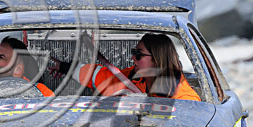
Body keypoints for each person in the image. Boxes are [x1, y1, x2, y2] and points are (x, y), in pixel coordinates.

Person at [49, 33, 200, 101]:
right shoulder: (129, 78)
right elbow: (97, 75)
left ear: (157, 60)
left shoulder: (185, 99)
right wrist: (63, 67)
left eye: (138, 54)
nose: (132, 57)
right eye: (133, 52)